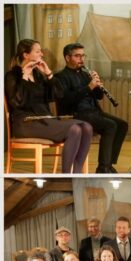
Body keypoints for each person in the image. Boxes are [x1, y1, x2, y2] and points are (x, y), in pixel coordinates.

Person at [5, 39, 92, 173]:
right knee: (75, 130)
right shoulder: (12, 76)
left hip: (45, 120)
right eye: (38, 51)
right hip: (25, 124)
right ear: (26, 55)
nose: (42, 54)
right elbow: (17, 102)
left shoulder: (38, 76)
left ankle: (77, 173)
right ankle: (66, 176)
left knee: (86, 127)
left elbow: (59, 94)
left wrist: (49, 74)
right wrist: (24, 75)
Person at [54, 42, 127, 173]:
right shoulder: (60, 77)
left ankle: (108, 163)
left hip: (93, 112)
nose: (81, 59)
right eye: (77, 56)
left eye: (83, 56)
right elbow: (66, 100)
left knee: (122, 125)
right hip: (75, 114)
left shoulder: (85, 74)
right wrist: (89, 87)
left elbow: (99, 97)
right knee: (110, 126)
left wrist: (97, 85)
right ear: (67, 58)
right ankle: (103, 167)